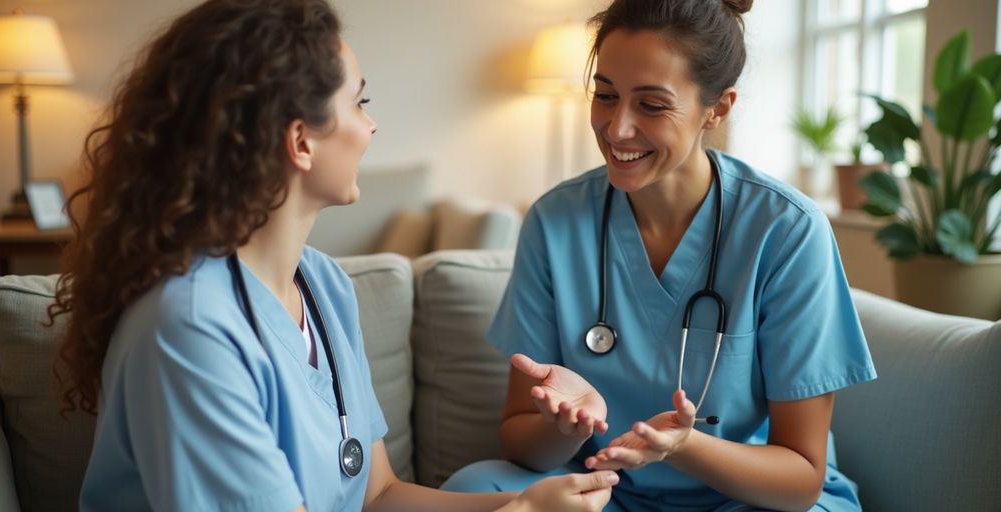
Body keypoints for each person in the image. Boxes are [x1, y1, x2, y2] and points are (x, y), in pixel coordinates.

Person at [50, 1, 619, 510]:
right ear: (301, 141)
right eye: (359, 102)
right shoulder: (189, 326)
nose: (371, 125)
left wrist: (525, 503)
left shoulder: (322, 283)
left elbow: (378, 494)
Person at [441, 0, 877, 510]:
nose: (617, 128)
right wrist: (564, 429)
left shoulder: (786, 230)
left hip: (747, 499)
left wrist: (682, 446)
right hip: (606, 491)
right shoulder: (554, 221)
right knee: (475, 487)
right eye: (606, 96)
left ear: (718, 108)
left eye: (651, 105)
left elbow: (800, 479)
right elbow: (519, 443)